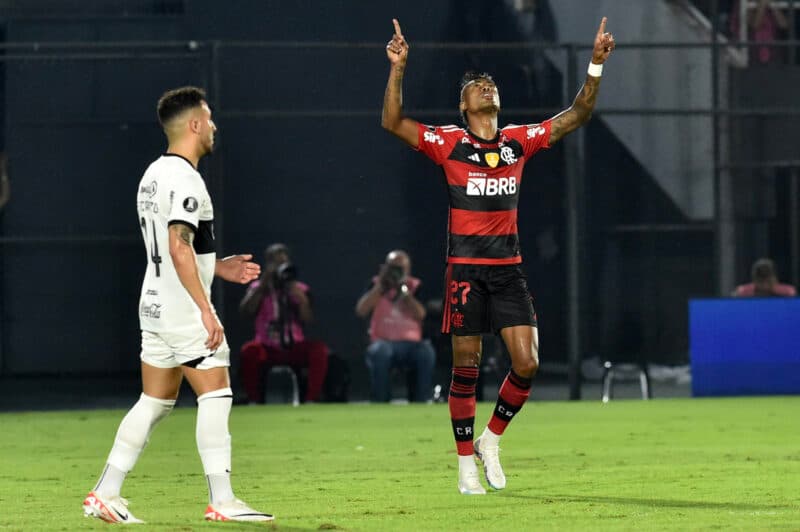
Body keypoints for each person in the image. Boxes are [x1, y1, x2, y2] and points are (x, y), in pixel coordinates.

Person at [381, 18, 614, 494]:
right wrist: (399, 69)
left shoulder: (517, 142)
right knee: (466, 367)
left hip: (508, 272)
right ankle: (466, 465)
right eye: (475, 87)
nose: (486, 88)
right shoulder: (448, 142)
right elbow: (392, 122)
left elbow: (577, 115)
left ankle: (491, 440)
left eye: (490, 84)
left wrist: (595, 65)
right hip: (466, 270)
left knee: (526, 362)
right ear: (463, 106)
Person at [83, 86, 273, 523]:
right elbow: (177, 244)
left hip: (152, 301)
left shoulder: (153, 174)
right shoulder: (188, 178)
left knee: (155, 399)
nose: (213, 126)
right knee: (217, 393)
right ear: (193, 125)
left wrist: (218, 267)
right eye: (208, 118)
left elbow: (177, 247)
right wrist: (206, 308)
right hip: (182, 308)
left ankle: (106, 492)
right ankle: (223, 501)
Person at [238, 243, 329, 403]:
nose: (281, 267)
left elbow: (308, 319)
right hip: (266, 345)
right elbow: (246, 311)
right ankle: (254, 400)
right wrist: (264, 284)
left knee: (319, 350)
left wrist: (301, 299)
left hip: (294, 345)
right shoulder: (257, 288)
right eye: (276, 263)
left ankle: (311, 399)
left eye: (283, 263)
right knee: (249, 351)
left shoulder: (300, 289)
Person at [355, 249, 436, 402]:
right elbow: (361, 310)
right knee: (380, 352)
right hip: (383, 342)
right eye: (393, 267)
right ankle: (381, 402)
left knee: (426, 352)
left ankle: (421, 402)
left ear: (408, 269)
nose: (396, 272)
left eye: (400, 268)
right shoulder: (375, 284)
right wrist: (380, 286)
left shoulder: (415, 286)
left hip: (412, 344)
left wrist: (404, 291)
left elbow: (421, 314)